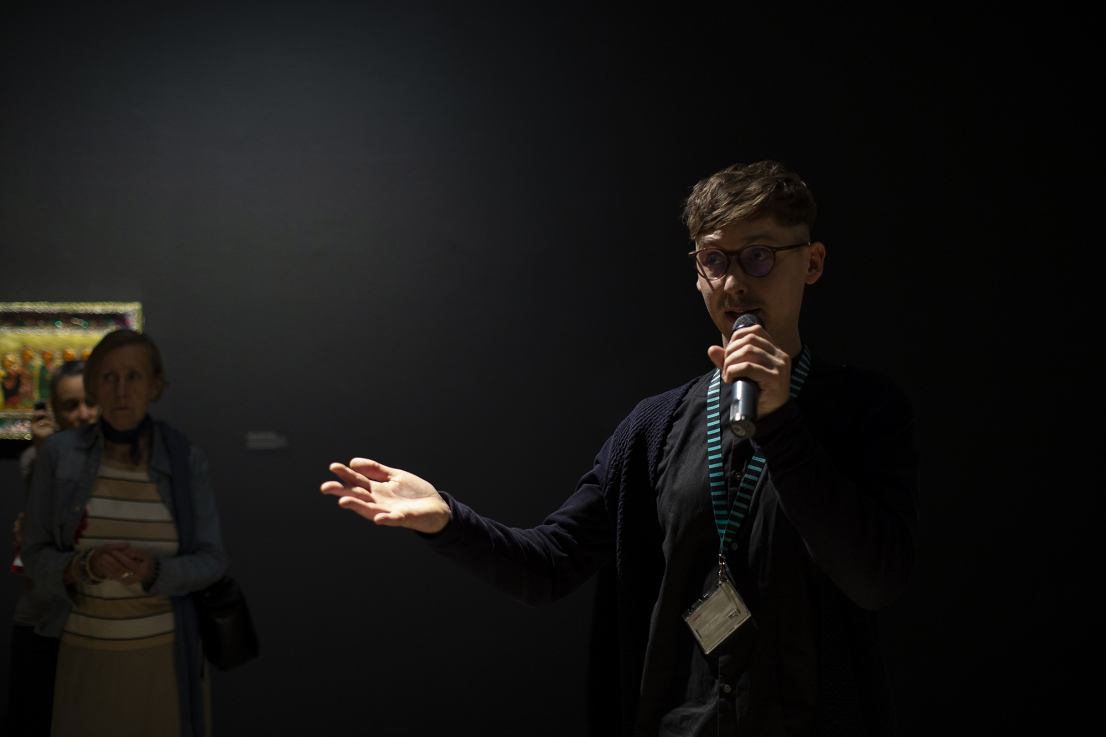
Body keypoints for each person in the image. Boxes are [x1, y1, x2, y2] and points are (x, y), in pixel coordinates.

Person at [320, 161, 919, 736]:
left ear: (811, 262)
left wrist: (781, 422)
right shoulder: (653, 428)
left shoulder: (864, 409)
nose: (734, 282)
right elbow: (549, 566)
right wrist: (448, 520)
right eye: (714, 260)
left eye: (759, 256)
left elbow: (876, 579)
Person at [22, 329, 228, 737]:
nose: (120, 390)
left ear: (155, 386)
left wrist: (154, 571)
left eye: (133, 376)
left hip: (166, 661)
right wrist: (84, 565)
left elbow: (212, 561)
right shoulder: (58, 456)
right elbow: (34, 556)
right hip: (86, 657)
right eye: (109, 377)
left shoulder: (184, 458)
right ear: (94, 385)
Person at [4, 360, 99, 736]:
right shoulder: (36, 458)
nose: (83, 414)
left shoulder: (124, 462)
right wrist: (46, 450)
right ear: (55, 412)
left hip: (97, 619)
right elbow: (43, 536)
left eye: (90, 402)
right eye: (71, 406)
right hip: (41, 616)